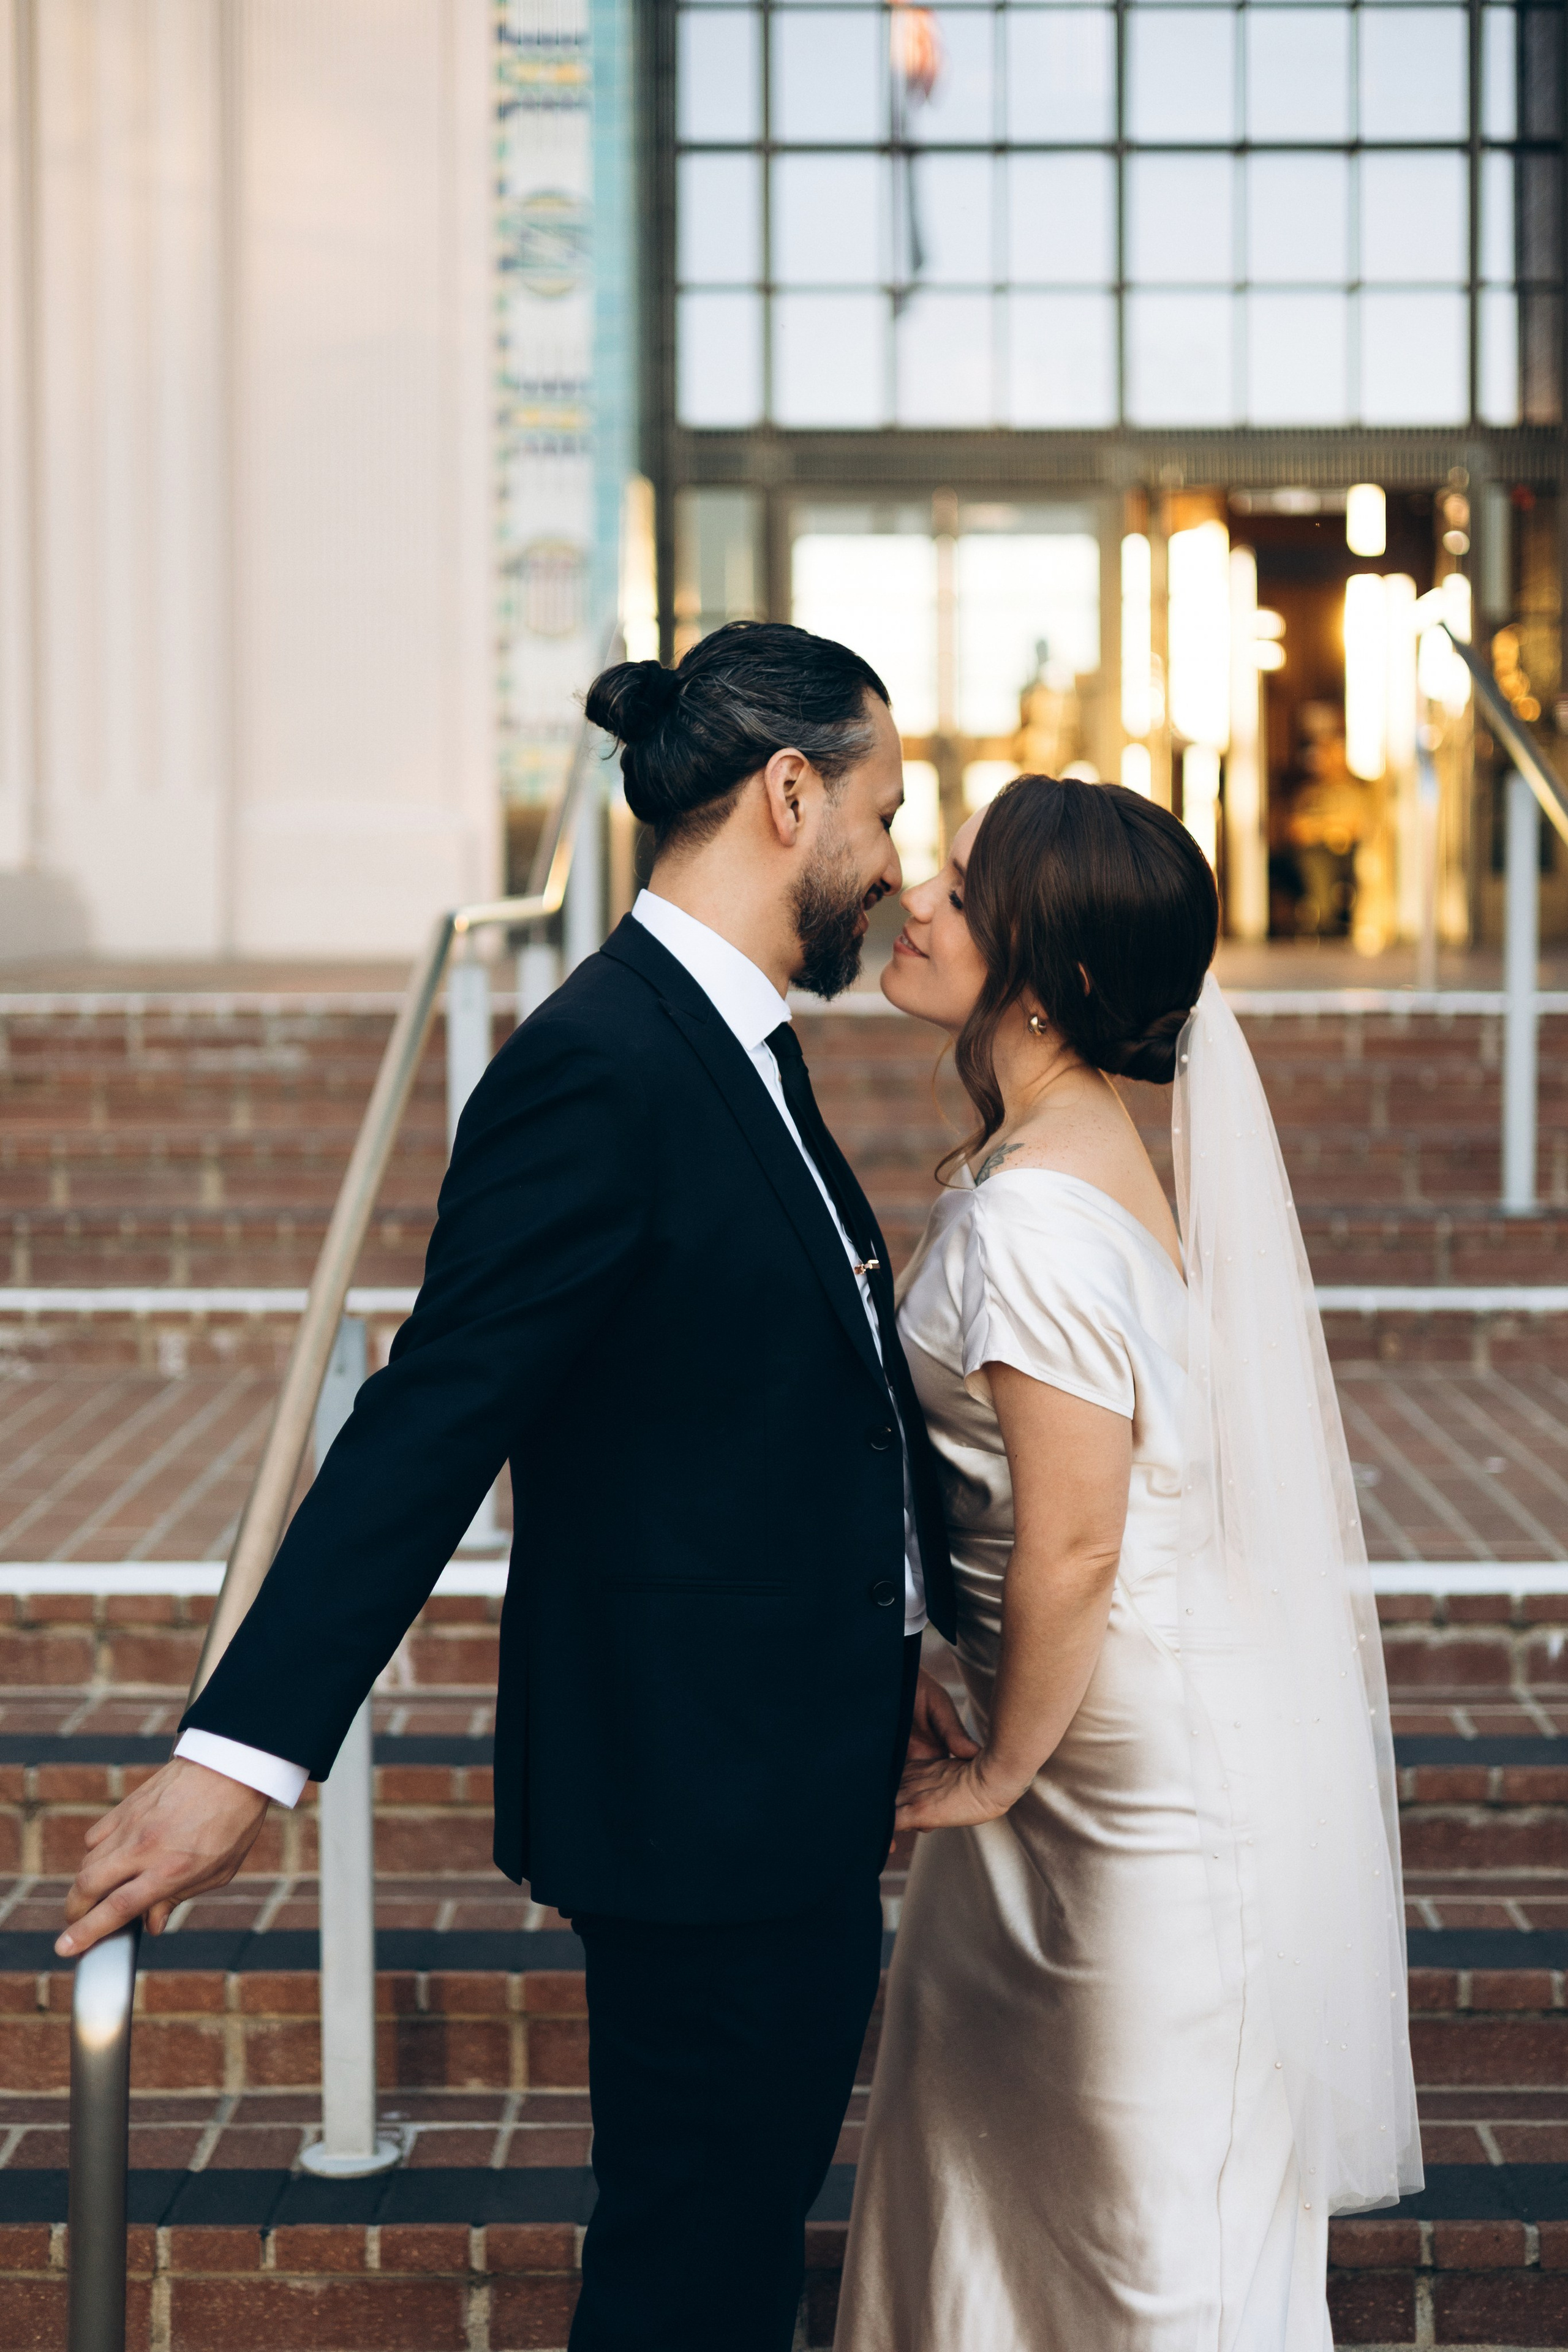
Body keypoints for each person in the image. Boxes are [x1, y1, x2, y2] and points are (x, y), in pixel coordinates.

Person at [58, 620, 967, 2352]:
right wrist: (240, 1756)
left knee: (725, 2252)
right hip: (699, 1798)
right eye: (883, 813)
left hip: (780, 1767)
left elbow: (785, 1404)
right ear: (790, 795)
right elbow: (430, 1420)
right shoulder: (600, 1063)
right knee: (689, 2275)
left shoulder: (736, 1044)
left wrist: (892, 1629)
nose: (890, 863)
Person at [835, 776, 1421, 2351]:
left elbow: (1075, 1536)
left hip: (1106, 1785)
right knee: (1037, 2195)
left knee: (1133, 2230)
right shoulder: (1077, 1145)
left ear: (1051, 975)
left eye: (962, 890)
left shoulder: (1034, 1217)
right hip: (1072, 1744)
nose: (914, 898)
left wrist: (997, 1769)